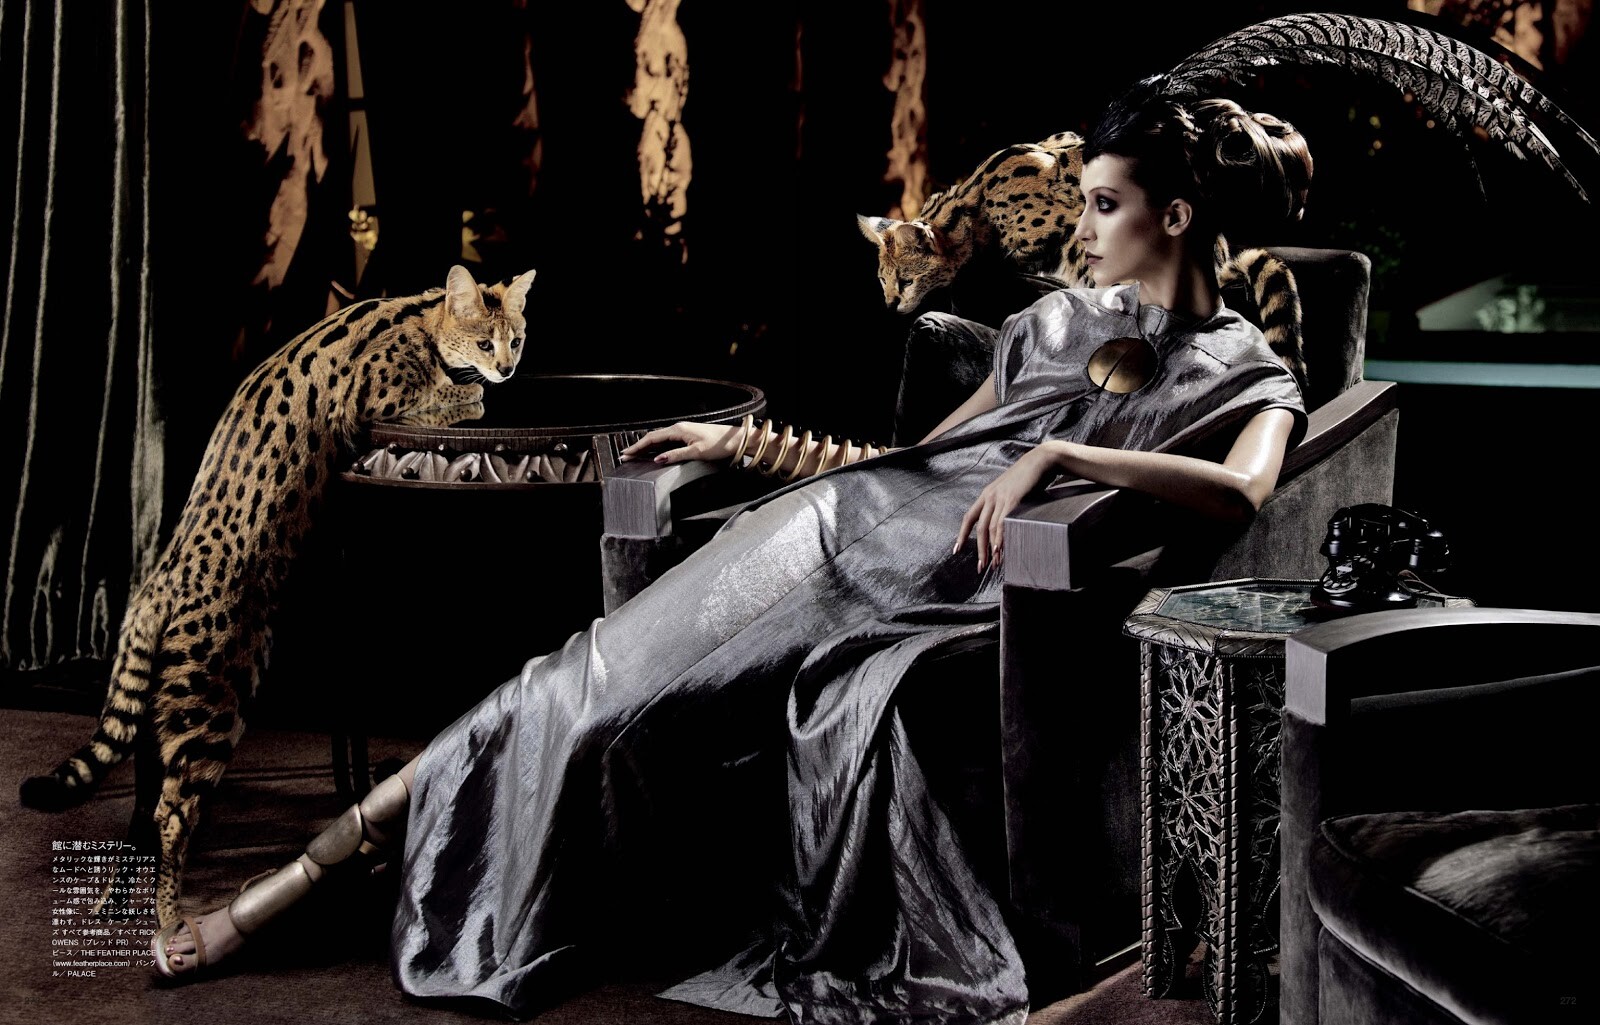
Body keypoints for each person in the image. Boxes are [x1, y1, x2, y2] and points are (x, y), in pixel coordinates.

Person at [151, 85, 1314, 1025]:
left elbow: (1245, 486)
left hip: (945, 585)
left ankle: (348, 880)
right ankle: (292, 887)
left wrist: (1062, 451)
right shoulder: (1050, 324)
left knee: (611, 713)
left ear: (1173, 215)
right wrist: (745, 445)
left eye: (1104, 205)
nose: (1079, 229)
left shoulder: (1243, 369)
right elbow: (900, 459)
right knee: (579, 682)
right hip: (833, 529)